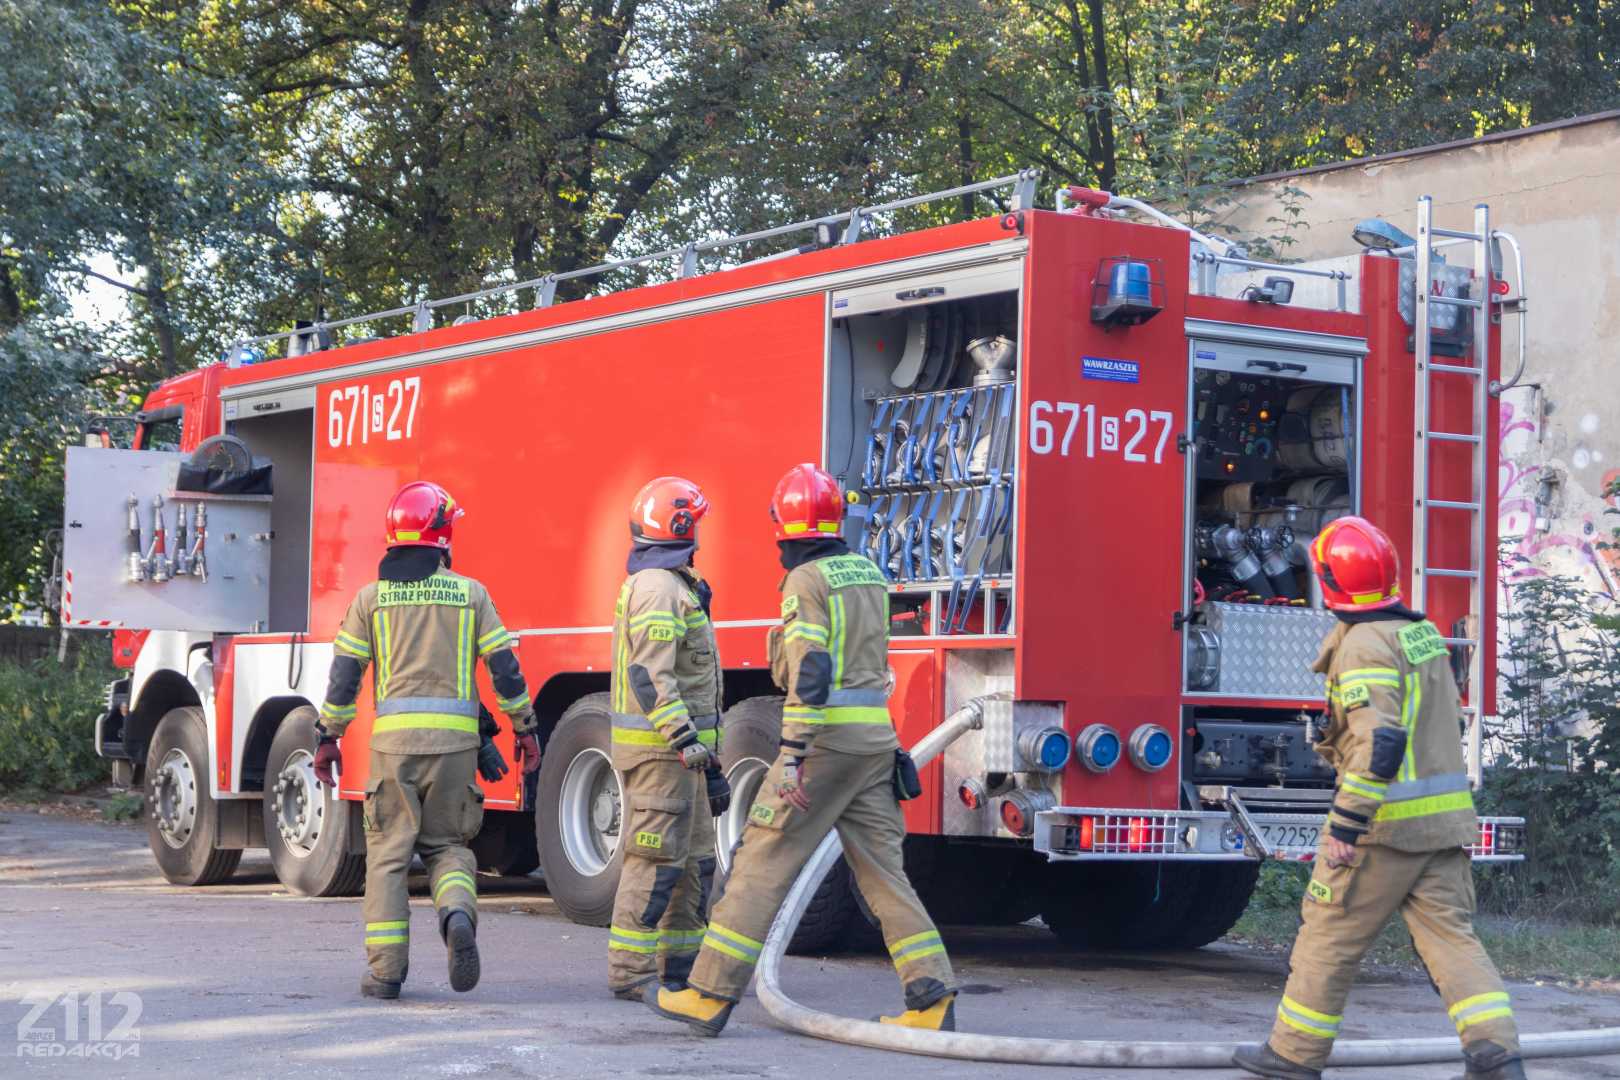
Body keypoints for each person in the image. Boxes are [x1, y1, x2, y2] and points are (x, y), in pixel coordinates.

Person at [645, 463, 955, 1037]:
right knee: (885, 875)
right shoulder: (868, 573)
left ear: (783, 527)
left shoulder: (805, 581)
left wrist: (791, 754)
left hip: (823, 746)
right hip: (874, 746)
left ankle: (709, 994)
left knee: (760, 863)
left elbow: (810, 668)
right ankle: (931, 994)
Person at [1234, 516, 1524, 1080]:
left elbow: (1379, 742)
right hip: (1442, 827)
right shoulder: (1421, 634)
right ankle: (1497, 1057)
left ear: (1330, 581)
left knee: (1328, 935)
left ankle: (1293, 1054)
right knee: (1451, 941)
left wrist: (1347, 825)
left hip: (1383, 829)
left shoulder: (1363, 645)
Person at [313, 480, 540, 1001]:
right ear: (443, 536)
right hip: (456, 751)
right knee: (449, 847)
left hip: (393, 753)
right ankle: (456, 914)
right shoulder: (471, 594)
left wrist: (328, 737)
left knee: (389, 858)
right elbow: (504, 670)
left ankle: (386, 973)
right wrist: (525, 728)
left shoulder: (371, 599)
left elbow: (344, 678)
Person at [606, 476, 729, 1000]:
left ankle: (680, 970)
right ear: (681, 526)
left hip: (687, 757)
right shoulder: (658, 588)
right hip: (663, 754)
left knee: (694, 866)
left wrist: (709, 760)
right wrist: (683, 738)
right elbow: (650, 675)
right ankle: (631, 974)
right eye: (694, 521)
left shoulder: (677, 584)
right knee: (655, 864)